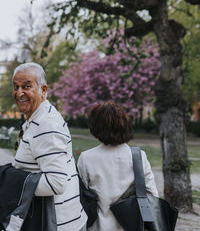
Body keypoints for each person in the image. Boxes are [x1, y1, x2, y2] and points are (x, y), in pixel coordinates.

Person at [11, 62, 87, 230]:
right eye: (16, 87)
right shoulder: (39, 118)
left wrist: (13, 182)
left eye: (26, 86)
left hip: (57, 224)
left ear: (43, 90)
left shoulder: (46, 124)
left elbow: (56, 182)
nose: (19, 92)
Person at [77, 102, 158, 231]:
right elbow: (152, 196)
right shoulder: (139, 156)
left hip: (98, 226)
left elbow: (82, 200)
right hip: (132, 226)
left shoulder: (86, 158)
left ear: (96, 127)